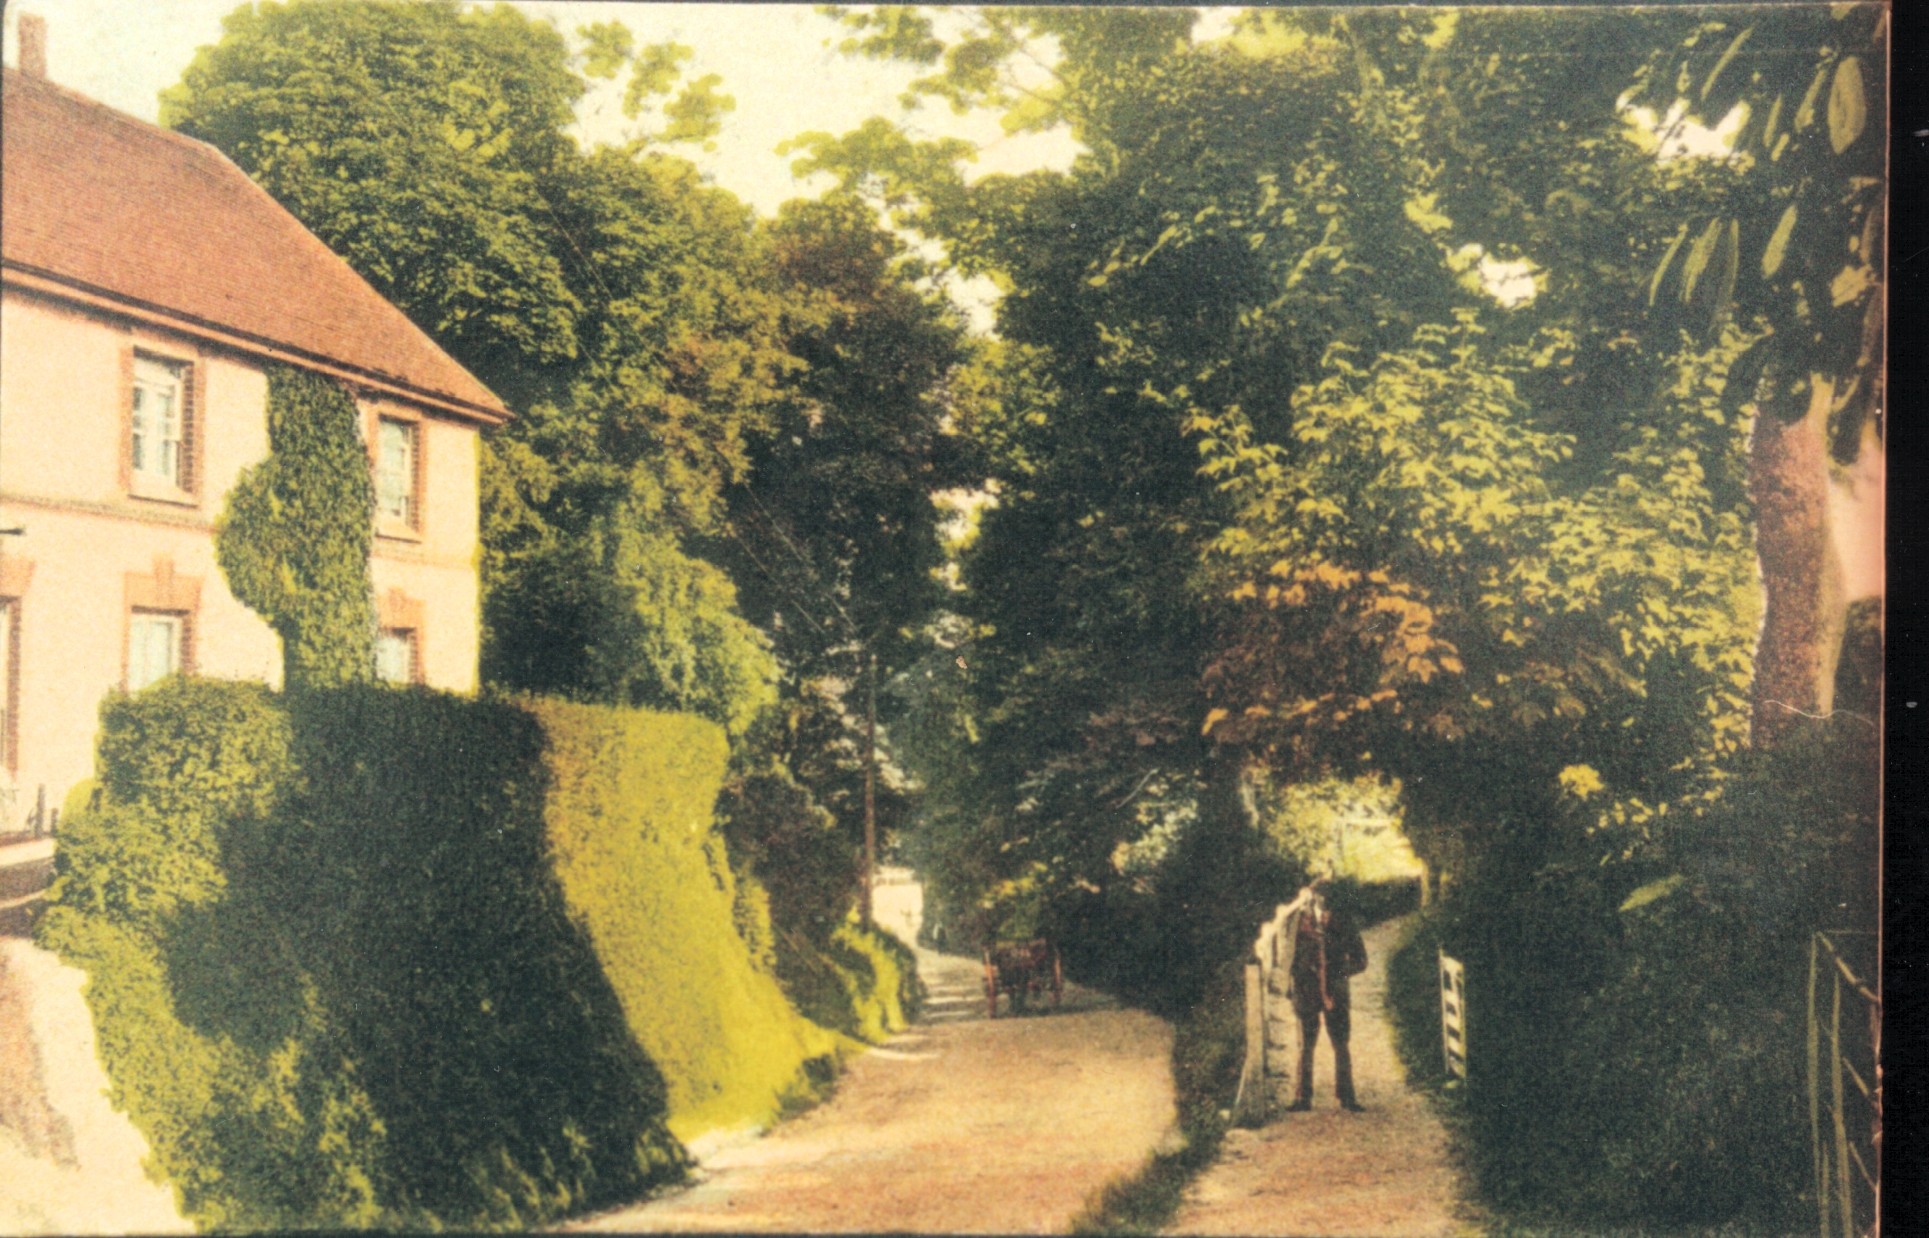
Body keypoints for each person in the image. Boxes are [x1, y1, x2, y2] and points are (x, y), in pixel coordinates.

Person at [1285, 878, 1368, 1112]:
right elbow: (1288, 957)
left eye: (1325, 901)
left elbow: (1361, 961)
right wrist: (1292, 984)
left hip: (1336, 993)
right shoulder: (1299, 923)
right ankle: (1302, 1098)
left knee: (1341, 1044)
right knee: (1305, 1046)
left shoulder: (1346, 924)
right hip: (1306, 991)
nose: (1321, 906)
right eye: (1316, 900)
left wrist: (1338, 973)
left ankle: (1347, 1097)